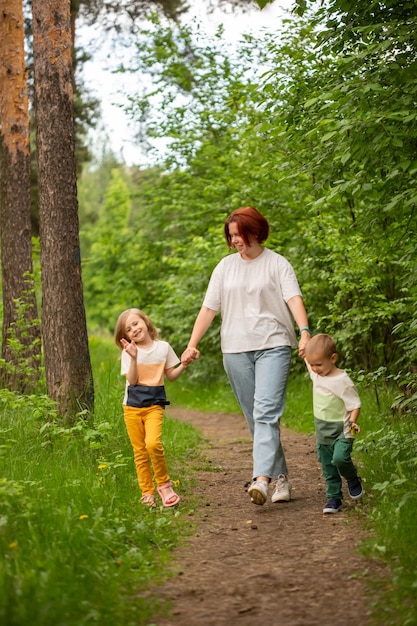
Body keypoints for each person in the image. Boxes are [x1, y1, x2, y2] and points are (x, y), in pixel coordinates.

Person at [181, 206, 310, 506]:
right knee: (256, 417)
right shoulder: (225, 267)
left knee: (266, 411)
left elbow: (294, 298)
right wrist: (191, 343)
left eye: (240, 234)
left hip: (273, 344)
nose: (235, 240)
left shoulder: (277, 264)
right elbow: (209, 308)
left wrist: (304, 331)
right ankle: (281, 479)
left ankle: (261, 479)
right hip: (235, 349)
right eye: (231, 236)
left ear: (256, 231)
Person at [114, 308, 186, 508]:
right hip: (132, 407)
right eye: (128, 329)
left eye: (136, 324)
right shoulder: (129, 352)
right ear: (126, 336)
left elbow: (170, 376)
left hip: (154, 405)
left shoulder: (163, 348)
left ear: (145, 321)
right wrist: (134, 357)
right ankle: (147, 492)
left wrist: (185, 363)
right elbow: (132, 380)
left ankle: (164, 485)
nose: (134, 330)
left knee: (153, 444)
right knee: (140, 451)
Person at [304, 333, 364, 514]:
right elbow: (308, 361)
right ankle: (334, 497)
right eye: (312, 365)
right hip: (323, 431)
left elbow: (355, 404)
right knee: (327, 465)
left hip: (344, 430)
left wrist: (353, 422)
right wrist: (304, 344)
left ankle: (352, 478)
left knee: (339, 458)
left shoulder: (342, 381)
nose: (314, 369)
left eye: (319, 365)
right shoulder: (316, 375)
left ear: (333, 358)